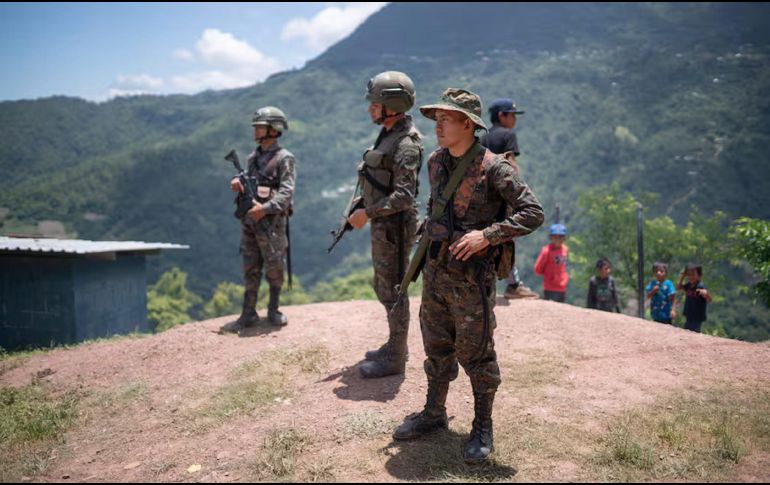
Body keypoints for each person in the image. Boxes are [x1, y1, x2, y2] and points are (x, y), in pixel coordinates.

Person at [392, 88, 543, 463]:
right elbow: (436, 207)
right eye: (437, 119)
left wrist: (486, 235)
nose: (438, 126)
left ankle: (482, 425)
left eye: (446, 119)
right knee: (436, 346)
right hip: (436, 272)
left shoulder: (495, 168)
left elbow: (532, 212)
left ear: (468, 124)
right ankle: (434, 413)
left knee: (477, 354)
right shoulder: (435, 163)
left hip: (472, 281)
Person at [348, 71, 423, 378]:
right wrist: (364, 203)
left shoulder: (405, 143)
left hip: (395, 228)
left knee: (394, 289)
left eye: (375, 103)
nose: (370, 108)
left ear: (392, 104)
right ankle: (394, 344)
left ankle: (396, 356)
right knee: (383, 285)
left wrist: (369, 213)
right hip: (384, 225)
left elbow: (404, 196)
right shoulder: (389, 132)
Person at [224, 106, 296, 332]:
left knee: (274, 267)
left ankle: (273, 310)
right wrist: (238, 181)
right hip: (250, 222)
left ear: (273, 130)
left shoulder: (285, 158)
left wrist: (264, 209)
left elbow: (286, 193)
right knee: (250, 266)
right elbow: (249, 183)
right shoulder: (252, 158)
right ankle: (248, 313)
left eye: (260, 126)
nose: (255, 130)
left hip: (272, 223)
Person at [480, 98, 537, 300]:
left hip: (484, 196)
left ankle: (485, 279)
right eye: (512, 114)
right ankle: (513, 284)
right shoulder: (508, 135)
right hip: (503, 195)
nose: (514, 119)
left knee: (485, 235)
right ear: (502, 116)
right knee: (507, 236)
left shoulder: (483, 137)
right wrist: (519, 194)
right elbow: (511, 165)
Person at [534, 224, 569, 302]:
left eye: (560, 237)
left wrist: (565, 277)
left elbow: (563, 266)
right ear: (551, 238)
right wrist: (550, 275)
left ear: (564, 238)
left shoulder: (565, 250)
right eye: (555, 237)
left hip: (562, 286)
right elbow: (537, 269)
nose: (558, 239)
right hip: (550, 287)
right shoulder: (546, 251)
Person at [676, 263, 712, 333]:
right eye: (688, 275)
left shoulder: (700, 286)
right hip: (689, 314)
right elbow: (678, 287)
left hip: (697, 316)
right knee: (687, 332)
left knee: (694, 332)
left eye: (693, 275)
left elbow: (709, 300)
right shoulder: (689, 285)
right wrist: (682, 277)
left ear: (699, 275)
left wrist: (706, 294)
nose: (690, 277)